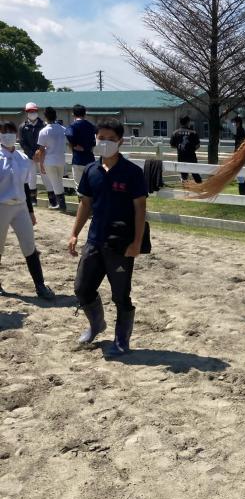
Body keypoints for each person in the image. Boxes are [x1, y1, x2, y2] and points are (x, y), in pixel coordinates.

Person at [68, 118, 148, 356]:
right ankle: (96, 324)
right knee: (82, 289)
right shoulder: (91, 171)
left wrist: (136, 243)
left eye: (111, 139)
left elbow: (140, 209)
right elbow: (86, 204)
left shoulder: (132, 172)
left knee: (121, 295)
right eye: (101, 138)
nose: (105, 142)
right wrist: (74, 233)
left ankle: (122, 339)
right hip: (95, 240)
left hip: (121, 244)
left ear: (120, 141)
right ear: (95, 139)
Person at [0, 121, 55, 299]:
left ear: (17, 135)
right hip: (1, 206)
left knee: (29, 245)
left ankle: (40, 285)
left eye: (11, 131)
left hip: (20, 207)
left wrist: (30, 211)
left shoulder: (22, 158)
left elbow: (25, 186)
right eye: (3, 131)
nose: (7, 135)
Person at [37, 106, 67, 211]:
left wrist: (41, 164)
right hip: (61, 159)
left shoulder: (43, 131)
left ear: (45, 117)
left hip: (49, 160)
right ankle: (61, 203)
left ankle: (62, 205)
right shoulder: (63, 129)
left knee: (55, 182)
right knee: (59, 181)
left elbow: (41, 150)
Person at [17, 102, 45, 207]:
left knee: (45, 176)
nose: (32, 113)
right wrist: (31, 154)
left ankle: (53, 199)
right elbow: (22, 142)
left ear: (37, 111)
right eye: (30, 111)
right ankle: (33, 199)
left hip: (42, 155)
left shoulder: (43, 125)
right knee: (31, 177)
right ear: (26, 112)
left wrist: (39, 152)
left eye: (34, 111)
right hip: (29, 156)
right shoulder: (22, 126)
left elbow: (45, 140)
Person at [65, 104, 96, 192]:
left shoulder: (72, 126)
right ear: (85, 114)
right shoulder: (91, 126)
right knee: (90, 185)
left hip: (78, 159)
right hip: (90, 158)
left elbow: (68, 134)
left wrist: (74, 144)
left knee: (79, 186)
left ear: (73, 114)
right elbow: (96, 139)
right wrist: (90, 146)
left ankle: (81, 200)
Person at [170, 116, 201, 184]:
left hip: (181, 157)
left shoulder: (175, 133)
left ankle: (185, 188)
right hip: (191, 157)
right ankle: (201, 187)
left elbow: (172, 145)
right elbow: (198, 145)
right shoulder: (193, 133)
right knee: (195, 174)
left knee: (184, 175)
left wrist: (180, 148)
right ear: (188, 122)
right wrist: (191, 149)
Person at [233, 116, 245, 196]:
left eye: (235, 122)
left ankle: (244, 192)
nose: (234, 124)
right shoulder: (240, 130)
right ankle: (244, 192)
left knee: (240, 175)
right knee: (240, 175)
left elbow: (240, 144)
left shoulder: (240, 130)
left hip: (240, 155)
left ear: (238, 123)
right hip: (240, 154)